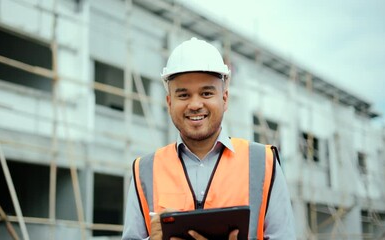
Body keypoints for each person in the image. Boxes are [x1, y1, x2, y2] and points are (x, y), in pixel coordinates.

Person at [122, 37, 296, 240]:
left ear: (224, 99)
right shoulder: (144, 170)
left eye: (206, 93)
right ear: (169, 102)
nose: (195, 104)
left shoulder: (263, 162)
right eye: (184, 95)